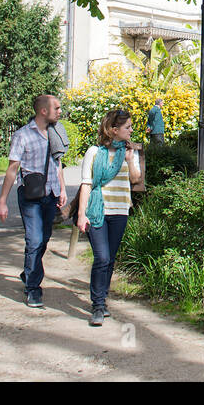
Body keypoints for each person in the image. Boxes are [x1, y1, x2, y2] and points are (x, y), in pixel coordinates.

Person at [0, 94, 67, 308]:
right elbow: (12, 169)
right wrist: (2, 201)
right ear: (43, 111)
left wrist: (62, 189)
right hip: (30, 195)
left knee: (43, 239)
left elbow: (58, 164)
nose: (60, 111)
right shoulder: (22, 135)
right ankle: (33, 288)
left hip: (51, 194)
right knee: (34, 240)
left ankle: (29, 273)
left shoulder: (56, 132)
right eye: (57, 108)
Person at [77, 107, 142, 326]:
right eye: (127, 127)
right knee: (102, 258)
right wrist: (80, 214)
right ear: (113, 130)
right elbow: (86, 183)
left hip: (120, 211)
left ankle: (102, 299)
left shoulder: (129, 151)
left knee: (110, 258)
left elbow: (135, 179)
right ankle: (97, 304)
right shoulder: (94, 152)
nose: (131, 130)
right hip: (98, 211)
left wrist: (131, 160)